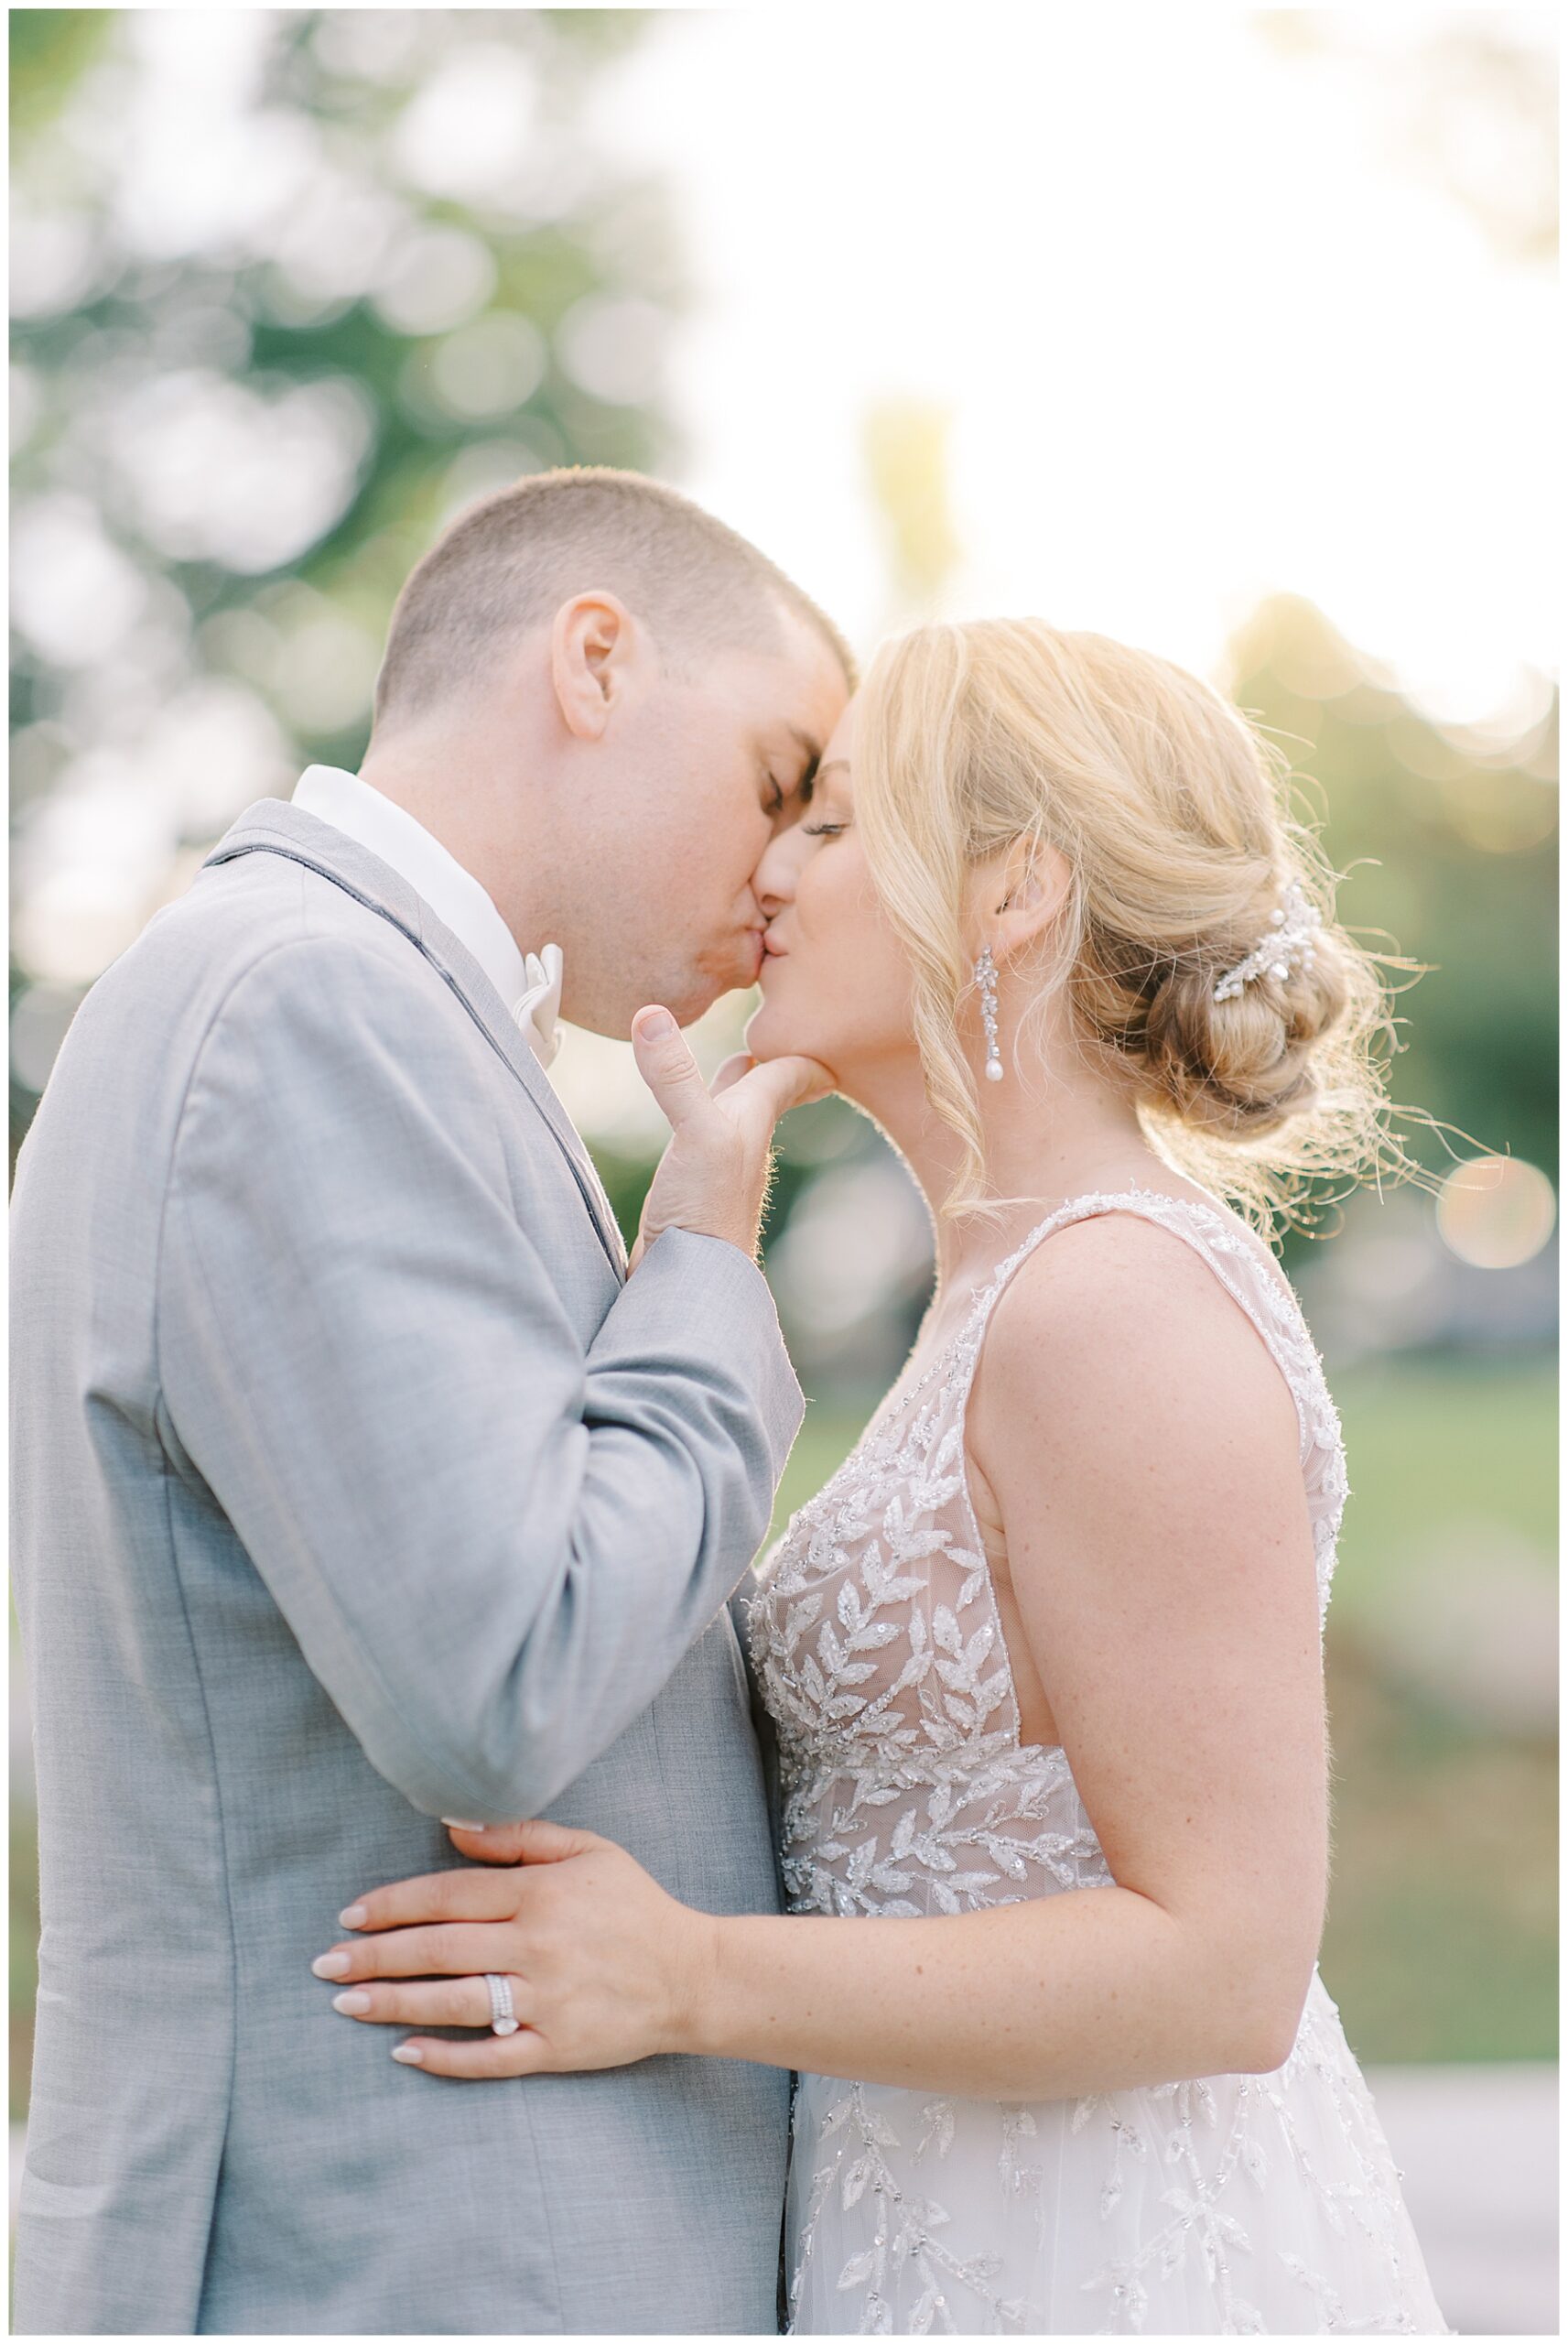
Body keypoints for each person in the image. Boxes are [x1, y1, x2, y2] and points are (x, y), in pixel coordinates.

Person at [320, 619, 1451, 2336]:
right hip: (923, 2230)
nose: (767, 863)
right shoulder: (993, 1297)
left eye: (832, 823)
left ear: (1012, 892)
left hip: (1104, 2262)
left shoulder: (1111, 1305)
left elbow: (1228, 1969)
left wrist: (679, 1973)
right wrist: (698, 1229)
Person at [9, 468, 850, 2334]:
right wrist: (702, 1260)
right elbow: (503, 1675)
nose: (784, 867)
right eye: (780, 778)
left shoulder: (330, 1000)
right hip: (412, 2261)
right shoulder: (312, 1004)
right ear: (596, 659)